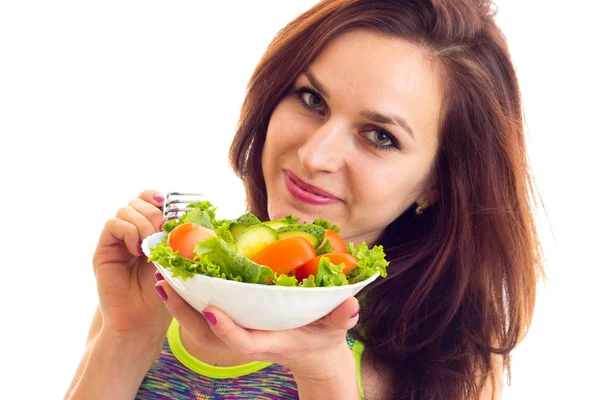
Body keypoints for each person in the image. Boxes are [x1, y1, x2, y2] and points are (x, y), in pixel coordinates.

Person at [65, 0, 543, 398]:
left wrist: (323, 374)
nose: (316, 155)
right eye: (312, 100)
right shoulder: (167, 281)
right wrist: (126, 336)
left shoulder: (442, 365)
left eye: (379, 136)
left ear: (436, 183)